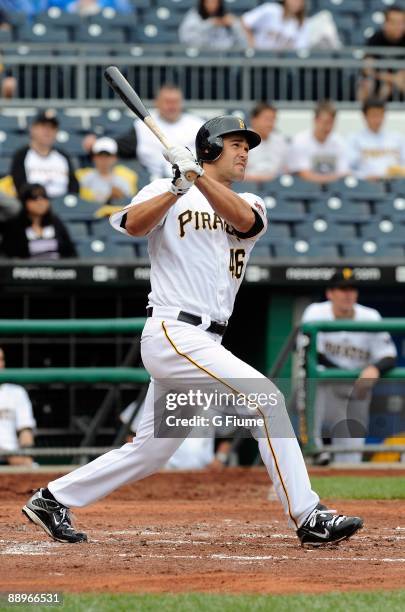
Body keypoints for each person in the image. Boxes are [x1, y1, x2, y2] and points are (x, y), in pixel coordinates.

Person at [22, 115, 363, 547]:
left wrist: (196, 177)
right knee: (265, 399)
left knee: (152, 449)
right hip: (173, 332)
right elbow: (132, 225)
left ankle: (52, 498)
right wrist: (175, 187)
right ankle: (308, 515)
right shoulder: (169, 191)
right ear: (210, 148)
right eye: (235, 144)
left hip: (206, 340)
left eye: (246, 145)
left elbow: (245, 222)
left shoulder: (252, 201)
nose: (244, 152)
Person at [300, 270, 397, 465]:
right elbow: (311, 354)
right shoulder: (315, 312)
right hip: (325, 386)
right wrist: (347, 374)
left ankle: (345, 482)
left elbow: (389, 355)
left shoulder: (370, 316)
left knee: (350, 453)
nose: (348, 294)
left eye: (352, 288)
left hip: (357, 388)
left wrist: (375, 369)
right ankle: (315, 449)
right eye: (342, 289)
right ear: (330, 293)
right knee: (309, 383)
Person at [10, 110, 79, 199]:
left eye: (52, 127)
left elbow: (73, 186)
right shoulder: (21, 155)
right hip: (33, 205)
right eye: (43, 126)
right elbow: (20, 186)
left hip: (62, 205)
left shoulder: (63, 156)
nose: (48, 131)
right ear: (33, 129)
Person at [0, 183, 77, 259]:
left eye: (44, 197)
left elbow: (70, 252)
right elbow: (10, 256)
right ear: (24, 201)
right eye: (34, 198)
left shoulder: (56, 223)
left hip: (59, 270)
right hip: (25, 270)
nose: (40, 202)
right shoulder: (14, 226)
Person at [287, 100, 350, 184]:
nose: (328, 127)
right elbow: (303, 174)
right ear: (315, 120)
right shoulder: (300, 140)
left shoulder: (340, 142)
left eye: (331, 123)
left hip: (335, 189)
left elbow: (344, 173)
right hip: (305, 189)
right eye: (325, 122)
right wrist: (332, 178)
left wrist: (319, 178)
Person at [242, 0, 341, 51]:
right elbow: (244, 22)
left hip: (282, 67)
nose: (296, 2)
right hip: (259, 61)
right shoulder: (270, 10)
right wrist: (251, 44)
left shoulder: (302, 24)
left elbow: (299, 50)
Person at [348, 99, 405, 180]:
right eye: (374, 115)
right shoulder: (355, 140)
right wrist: (364, 176)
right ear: (364, 116)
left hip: (395, 186)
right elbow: (347, 168)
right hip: (365, 187)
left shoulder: (397, 138)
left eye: (380, 115)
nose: (377, 120)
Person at [358, 6, 405, 103]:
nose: (399, 27)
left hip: (400, 81)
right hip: (379, 80)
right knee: (366, 84)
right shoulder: (375, 39)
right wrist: (390, 78)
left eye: (402, 23)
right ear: (385, 23)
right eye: (394, 22)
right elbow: (367, 69)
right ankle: (371, 112)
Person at [76, 137, 138, 207]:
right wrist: (107, 198)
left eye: (107, 156)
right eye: (100, 156)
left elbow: (130, 202)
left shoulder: (124, 178)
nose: (104, 160)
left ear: (115, 158)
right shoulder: (85, 177)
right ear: (94, 158)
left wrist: (120, 197)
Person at [0, 347, 36, 466]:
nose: (0, 364)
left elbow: (25, 430)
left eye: (1, 359)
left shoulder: (17, 391)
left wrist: (26, 456)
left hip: (13, 459)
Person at [244, 102, 288, 182]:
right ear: (254, 120)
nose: (270, 124)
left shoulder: (280, 140)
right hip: (248, 185)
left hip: (275, 186)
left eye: (273, 119)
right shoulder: (243, 139)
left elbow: (286, 169)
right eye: (266, 119)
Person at [178, 0, 248, 50]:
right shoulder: (194, 15)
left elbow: (243, 41)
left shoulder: (226, 17)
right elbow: (185, 36)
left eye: (215, 2)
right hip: (201, 57)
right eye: (209, 2)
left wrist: (234, 24)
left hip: (224, 59)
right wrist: (211, 23)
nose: (212, 5)